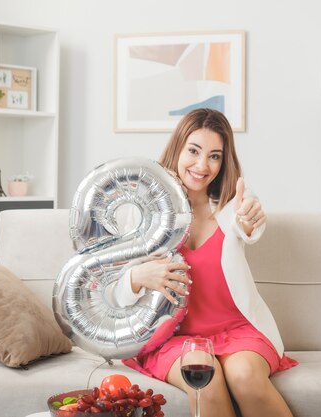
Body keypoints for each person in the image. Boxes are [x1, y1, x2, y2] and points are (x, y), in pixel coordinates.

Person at [117, 108, 297, 417]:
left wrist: (251, 221)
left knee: (246, 377)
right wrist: (137, 276)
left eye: (214, 156)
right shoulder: (142, 206)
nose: (202, 166)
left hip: (239, 330)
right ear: (178, 148)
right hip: (173, 338)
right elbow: (115, 291)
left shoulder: (234, 201)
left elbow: (248, 225)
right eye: (194, 151)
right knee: (205, 380)